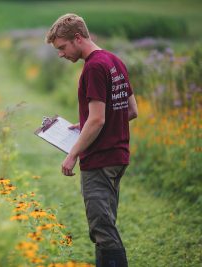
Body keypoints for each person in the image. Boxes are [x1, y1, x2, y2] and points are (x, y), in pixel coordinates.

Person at [45, 14, 138, 267]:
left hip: (100, 160)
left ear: (78, 38)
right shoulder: (113, 61)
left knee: (103, 231)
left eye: (62, 47)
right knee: (104, 226)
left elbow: (98, 120)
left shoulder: (93, 67)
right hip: (117, 157)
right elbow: (130, 111)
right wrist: (85, 124)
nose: (61, 54)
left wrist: (73, 153)